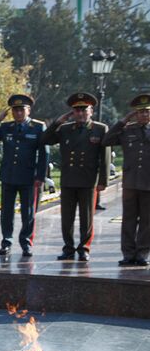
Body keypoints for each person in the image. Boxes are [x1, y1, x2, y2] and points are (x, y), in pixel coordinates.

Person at [42, 93, 109, 261]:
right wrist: (57, 122)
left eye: (83, 109)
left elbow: (105, 158)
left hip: (88, 180)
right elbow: (45, 139)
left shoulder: (100, 129)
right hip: (69, 179)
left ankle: (84, 248)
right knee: (67, 218)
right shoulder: (65, 129)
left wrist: (103, 181)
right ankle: (68, 248)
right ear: (72, 112)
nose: (80, 113)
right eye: (76, 110)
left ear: (91, 111)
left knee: (87, 218)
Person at [0, 94, 48, 258]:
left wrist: (40, 177)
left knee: (28, 212)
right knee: (7, 213)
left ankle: (26, 243)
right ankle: (6, 242)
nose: (18, 113)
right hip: (9, 176)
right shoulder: (6, 127)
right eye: (15, 110)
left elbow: (44, 154)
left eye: (21, 110)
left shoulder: (38, 127)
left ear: (28, 110)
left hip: (28, 177)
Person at [105, 93, 150, 266]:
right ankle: (128, 254)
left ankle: (142, 254)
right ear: (134, 114)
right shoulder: (127, 130)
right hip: (131, 183)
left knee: (147, 221)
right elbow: (106, 140)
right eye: (140, 112)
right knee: (129, 220)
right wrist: (123, 121)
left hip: (148, 182)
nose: (144, 115)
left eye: (147, 111)